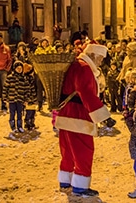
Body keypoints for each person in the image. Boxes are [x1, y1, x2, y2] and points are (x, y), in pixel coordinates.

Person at [55, 44, 116, 197]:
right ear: (94, 55)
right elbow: (87, 93)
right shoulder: (84, 68)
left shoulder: (76, 64)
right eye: (101, 58)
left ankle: (65, 180)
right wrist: (104, 116)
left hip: (66, 113)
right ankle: (80, 186)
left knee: (67, 150)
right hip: (78, 116)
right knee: (84, 150)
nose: (101, 62)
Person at [2, 61, 29, 133]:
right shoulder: (10, 77)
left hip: (20, 99)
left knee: (20, 114)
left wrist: (26, 99)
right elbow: (5, 88)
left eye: (20, 68)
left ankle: (20, 126)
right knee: (12, 113)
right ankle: (13, 126)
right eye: (18, 68)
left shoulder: (24, 78)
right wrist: (4, 97)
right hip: (12, 99)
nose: (19, 70)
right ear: (14, 69)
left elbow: (27, 89)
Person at [23, 62, 37, 130]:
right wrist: (27, 98)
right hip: (29, 98)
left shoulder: (30, 78)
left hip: (32, 97)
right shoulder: (26, 78)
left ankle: (31, 122)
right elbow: (27, 89)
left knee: (32, 111)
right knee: (29, 111)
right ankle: (28, 122)